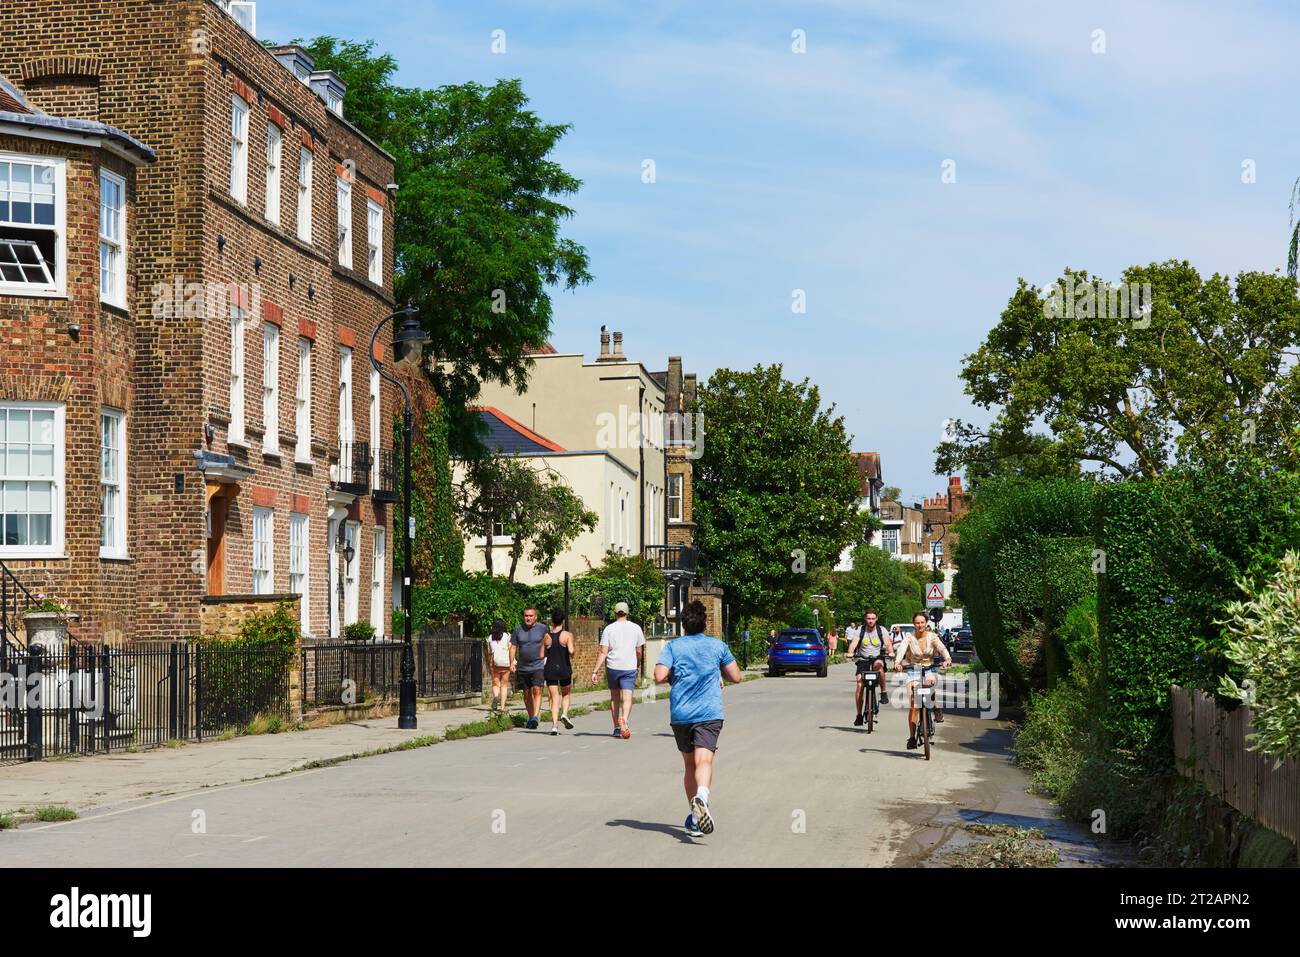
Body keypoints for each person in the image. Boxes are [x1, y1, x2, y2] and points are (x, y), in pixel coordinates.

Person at [654, 600, 743, 837]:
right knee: (704, 761)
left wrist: (676, 673)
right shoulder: (718, 646)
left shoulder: (674, 647)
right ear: (705, 623)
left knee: (689, 764)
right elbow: (736, 676)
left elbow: (659, 675)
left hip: (681, 714)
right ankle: (702, 797)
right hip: (709, 713)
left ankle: (695, 818)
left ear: (683, 624)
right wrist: (716, 670)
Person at [892, 611, 952, 750]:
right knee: (914, 704)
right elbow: (901, 650)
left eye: (922, 622)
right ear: (914, 624)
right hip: (913, 671)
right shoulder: (909, 637)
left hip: (929, 669)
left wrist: (947, 659)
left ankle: (935, 707)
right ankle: (912, 738)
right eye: (917, 623)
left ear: (926, 623)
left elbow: (942, 648)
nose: (920, 625)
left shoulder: (932, 636)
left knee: (929, 685)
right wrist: (897, 662)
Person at [590, 602, 645, 738]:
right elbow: (639, 651)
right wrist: (637, 664)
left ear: (615, 613)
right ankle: (624, 720)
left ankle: (616, 727)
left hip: (613, 667)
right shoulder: (636, 628)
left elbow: (603, 652)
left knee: (615, 698)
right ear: (627, 613)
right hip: (629, 667)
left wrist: (595, 671)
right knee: (627, 698)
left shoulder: (609, 629)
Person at [846, 609, 892, 725]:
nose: (871, 621)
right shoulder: (860, 630)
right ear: (865, 619)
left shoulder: (881, 630)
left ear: (876, 619)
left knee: (880, 668)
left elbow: (887, 643)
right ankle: (859, 715)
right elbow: (853, 644)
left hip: (877, 657)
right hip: (863, 659)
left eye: (873, 618)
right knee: (860, 684)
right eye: (868, 618)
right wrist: (850, 652)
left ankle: (883, 692)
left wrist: (890, 652)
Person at [511, 607, 549, 730]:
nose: (528, 618)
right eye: (526, 616)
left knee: (537, 690)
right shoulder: (518, 629)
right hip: (523, 666)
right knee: (526, 694)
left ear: (535, 616)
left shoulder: (542, 628)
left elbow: (549, 642)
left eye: (531, 616)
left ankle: (535, 717)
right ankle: (531, 716)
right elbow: (513, 647)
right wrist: (511, 662)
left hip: (538, 665)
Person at [543, 609, 575, 735]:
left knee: (554, 697)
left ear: (552, 620)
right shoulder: (567, 635)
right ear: (562, 620)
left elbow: (541, 654)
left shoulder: (546, 636)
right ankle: (564, 714)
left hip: (550, 668)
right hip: (564, 668)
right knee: (565, 694)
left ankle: (554, 725)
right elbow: (571, 651)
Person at [485, 618, 512, 714]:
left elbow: (489, 652)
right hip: (505, 663)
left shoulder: (490, 637)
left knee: (496, 684)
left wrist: (490, 663)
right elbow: (510, 649)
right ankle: (502, 707)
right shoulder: (507, 636)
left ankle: (496, 696)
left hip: (494, 663)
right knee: (504, 685)